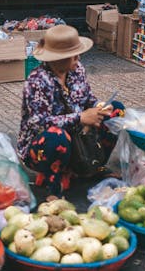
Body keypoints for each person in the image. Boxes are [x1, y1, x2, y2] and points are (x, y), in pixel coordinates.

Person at [17, 25, 124, 196]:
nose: (78, 58)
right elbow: (39, 124)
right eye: (73, 55)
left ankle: (94, 167)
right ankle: (53, 185)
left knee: (117, 112)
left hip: (80, 138)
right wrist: (80, 118)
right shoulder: (37, 82)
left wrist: (99, 105)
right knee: (56, 137)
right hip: (42, 148)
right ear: (59, 58)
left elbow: (87, 97)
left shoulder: (77, 69)